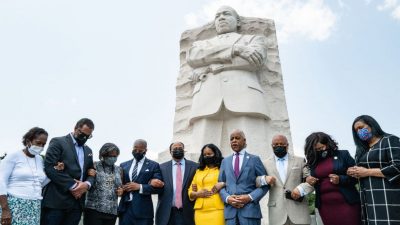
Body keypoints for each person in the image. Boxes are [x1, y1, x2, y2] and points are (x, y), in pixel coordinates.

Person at [186, 5, 270, 153]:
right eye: (217, 16)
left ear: (238, 22)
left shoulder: (252, 39)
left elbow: (254, 61)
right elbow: (194, 57)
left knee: (253, 149)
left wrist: (213, 65)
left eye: (226, 14)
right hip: (206, 97)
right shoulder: (201, 44)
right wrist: (235, 49)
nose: (221, 18)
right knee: (202, 150)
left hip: (245, 95)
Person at [0, 127, 62, 225]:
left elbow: (41, 182)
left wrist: (55, 170)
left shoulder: (40, 159)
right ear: (28, 141)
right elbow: (1, 181)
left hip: (35, 205)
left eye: (43, 144)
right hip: (15, 204)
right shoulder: (13, 156)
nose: (41, 146)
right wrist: (5, 209)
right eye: (38, 143)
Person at [347, 115, 400, 224]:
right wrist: (355, 171)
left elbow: (397, 166)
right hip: (367, 199)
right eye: (356, 130)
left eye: (361, 127)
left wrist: (367, 172)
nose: (359, 131)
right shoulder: (361, 149)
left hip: (387, 196)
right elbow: (362, 170)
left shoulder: (389, 140)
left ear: (371, 125)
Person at [41, 118, 95, 225]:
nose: (84, 138)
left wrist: (87, 184)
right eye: (82, 134)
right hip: (56, 202)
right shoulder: (58, 142)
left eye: (88, 136)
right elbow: (50, 168)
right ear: (75, 128)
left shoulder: (88, 151)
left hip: (76, 205)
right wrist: (74, 186)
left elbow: (92, 171)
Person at [255, 134, 313, 225]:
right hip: (277, 212)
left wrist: (301, 189)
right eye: (276, 144)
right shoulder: (264, 163)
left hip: (299, 210)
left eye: (282, 144)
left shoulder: (300, 161)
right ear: (272, 146)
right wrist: (264, 179)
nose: (279, 146)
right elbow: (255, 181)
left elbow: (311, 181)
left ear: (287, 145)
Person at [304, 132, 360, 225]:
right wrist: (308, 180)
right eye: (318, 149)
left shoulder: (343, 154)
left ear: (328, 143)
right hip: (325, 205)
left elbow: (357, 176)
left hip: (346, 202)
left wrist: (340, 179)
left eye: (324, 146)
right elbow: (307, 179)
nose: (324, 149)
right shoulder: (313, 162)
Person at [218, 129, 268, 225]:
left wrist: (250, 197)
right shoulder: (225, 161)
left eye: (237, 138)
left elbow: (265, 185)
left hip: (250, 212)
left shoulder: (255, 159)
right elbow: (220, 185)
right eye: (231, 139)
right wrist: (228, 198)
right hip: (230, 214)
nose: (234, 140)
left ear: (244, 141)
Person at [118, 139, 163, 225]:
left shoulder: (154, 165)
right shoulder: (123, 165)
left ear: (145, 150)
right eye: (135, 148)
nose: (137, 151)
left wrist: (140, 187)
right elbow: (120, 184)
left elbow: (159, 189)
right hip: (125, 211)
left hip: (143, 212)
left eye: (140, 149)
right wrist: (121, 189)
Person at [155, 142, 197, 225]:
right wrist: (151, 181)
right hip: (167, 213)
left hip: (188, 212)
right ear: (170, 152)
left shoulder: (195, 166)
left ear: (184, 150)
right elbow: (154, 183)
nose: (178, 150)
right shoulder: (161, 167)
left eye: (180, 148)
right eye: (175, 149)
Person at [84, 143, 123, 225]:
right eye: (110, 156)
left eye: (115, 156)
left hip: (112, 211)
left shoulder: (119, 169)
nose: (113, 158)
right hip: (94, 210)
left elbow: (120, 186)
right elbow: (87, 181)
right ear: (103, 155)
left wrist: (121, 190)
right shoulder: (94, 165)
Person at [188, 143, 225, 225]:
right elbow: (190, 190)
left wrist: (223, 183)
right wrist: (197, 193)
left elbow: (233, 181)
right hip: (200, 211)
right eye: (204, 155)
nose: (207, 156)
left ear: (216, 154)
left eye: (209, 154)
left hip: (217, 210)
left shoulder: (223, 168)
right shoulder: (199, 171)